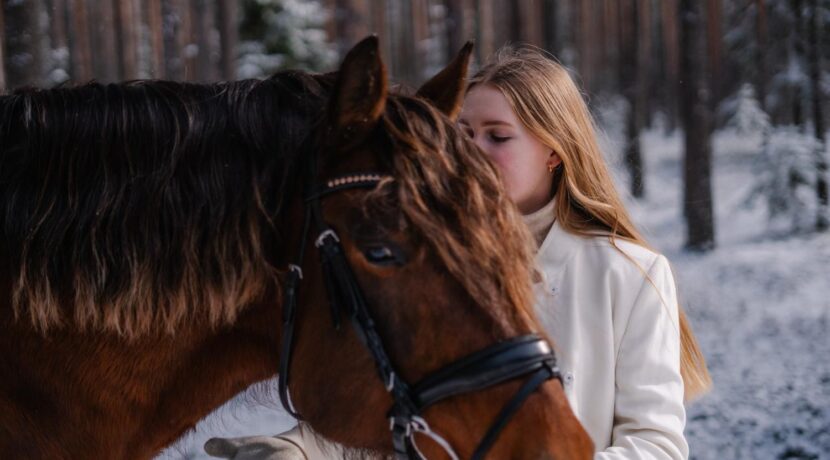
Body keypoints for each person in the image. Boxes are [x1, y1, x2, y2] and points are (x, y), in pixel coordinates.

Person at [205, 46, 712, 460]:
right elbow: (403, 394)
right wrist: (297, 449)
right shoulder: (435, 262)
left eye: (498, 136)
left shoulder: (630, 274)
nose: (471, 152)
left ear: (555, 150)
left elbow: (657, 445)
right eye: (463, 133)